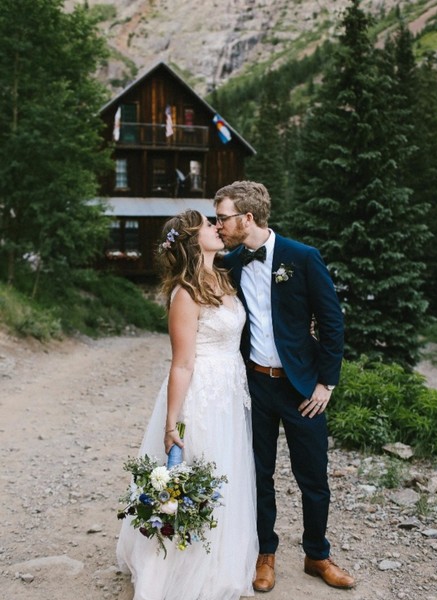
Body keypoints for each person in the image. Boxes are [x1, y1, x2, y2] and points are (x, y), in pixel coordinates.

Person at [214, 181, 355, 591]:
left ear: (247, 218)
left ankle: (317, 554)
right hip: (254, 386)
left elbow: (332, 323)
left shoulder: (303, 257)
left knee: (313, 476)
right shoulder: (230, 264)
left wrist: (326, 383)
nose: (218, 224)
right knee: (258, 475)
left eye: (222, 217)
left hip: (302, 389)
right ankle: (265, 554)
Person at [116, 209, 258, 600]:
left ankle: (222, 566)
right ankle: (179, 573)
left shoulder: (223, 278)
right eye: (208, 225)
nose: (217, 226)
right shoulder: (185, 293)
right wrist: (171, 423)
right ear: (193, 242)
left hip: (230, 391)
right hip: (202, 394)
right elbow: (181, 363)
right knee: (198, 470)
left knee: (227, 472)